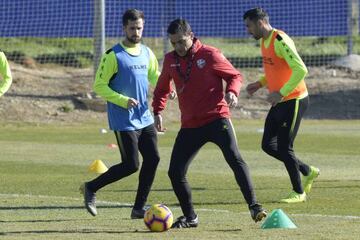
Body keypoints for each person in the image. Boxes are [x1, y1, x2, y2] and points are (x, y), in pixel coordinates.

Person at [152, 18, 267, 228]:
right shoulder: (170, 60)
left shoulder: (210, 54)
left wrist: (232, 92)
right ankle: (190, 217)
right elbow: (161, 89)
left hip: (217, 119)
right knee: (175, 172)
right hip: (190, 125)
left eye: (181, 42)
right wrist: (158, 111)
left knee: (235, 159)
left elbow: (235, 76)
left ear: (191, 35)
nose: (178, 47)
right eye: (173, 43)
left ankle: (254, 206)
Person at [80, 9, 161, 219]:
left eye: (139, 28)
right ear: (124, 28)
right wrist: (123, 100)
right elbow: (99, 85)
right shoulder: (113, 55)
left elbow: (154, 77)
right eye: (132, 28)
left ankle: (138, 208)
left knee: (153, 159)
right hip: (123, 119)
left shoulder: (147, 53)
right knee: (131, 165)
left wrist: (166, 89)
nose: (136, 32)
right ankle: (91, 187)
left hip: (145, 118)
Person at [243, 7, 320, 203]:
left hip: (294, 99)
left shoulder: (280, 40)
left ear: (260, 23)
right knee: (268, 145)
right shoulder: (263, 41)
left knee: (285, 148)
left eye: (249, 26)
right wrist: (259, 83)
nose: (247, 30)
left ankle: (299, 192)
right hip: (281, 100)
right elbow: (275, 69)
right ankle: (307, 170)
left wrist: (282, 92)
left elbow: (301, 69)